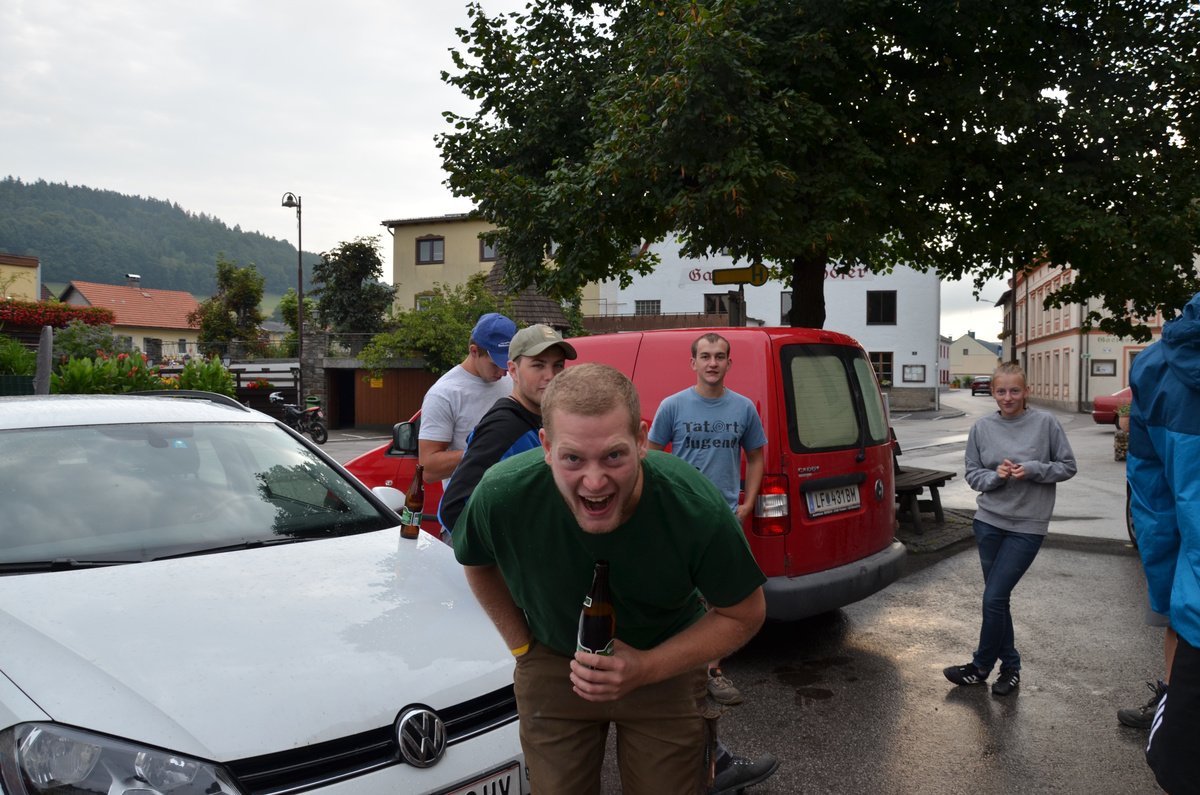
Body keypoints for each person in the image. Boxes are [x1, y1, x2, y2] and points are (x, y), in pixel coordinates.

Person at [441, 328, 779, 794]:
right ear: (545, 446)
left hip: (664, 665)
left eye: (614, 456)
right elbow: (476, 562)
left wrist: (646, 667)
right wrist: (523, 649)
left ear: (642, 440)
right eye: (573, 459)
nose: (595, 482)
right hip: (554, 662)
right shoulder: (503, 494)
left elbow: (745, 612)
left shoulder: (692, 503)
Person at [944, 362, 1077, 696]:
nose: (1008, 397)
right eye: (1001, 391)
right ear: (992, 392)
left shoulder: (1046, 423)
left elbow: (1067, 466)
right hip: (989, 522)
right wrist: (995, 477)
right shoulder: (982, 428)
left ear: (1026, 391)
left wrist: (1032, 469)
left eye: (1014, 390)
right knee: (998, 600)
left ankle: (980, 667)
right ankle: (1010, 668)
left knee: (994, 597)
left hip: (1028, 525)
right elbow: (973, 474)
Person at [649, 332, 766, 707]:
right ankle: (678, 669)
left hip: (724, 517)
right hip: (681, 517)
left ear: (729, 363)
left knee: (723, 599)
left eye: (719, 356)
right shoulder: (673, 406)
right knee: (681, 594)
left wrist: (748, 503)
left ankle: (712, 671)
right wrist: (663, 503)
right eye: (705, 356)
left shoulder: (743, 409)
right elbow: (651, 455)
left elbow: (756, 456)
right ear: (693, 363)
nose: (712, 363)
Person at [1127, 290, 1200, 793]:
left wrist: (1167, 599)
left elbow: (1154, 508)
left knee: (1180, 765)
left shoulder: (1156, 366)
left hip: (1195, 614)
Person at [417, 312, 515, 486]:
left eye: (507, 363)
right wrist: (487, 450)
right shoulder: (443, 394)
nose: (503, 372)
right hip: (469, 499)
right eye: (495, 364)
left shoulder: (514, 379)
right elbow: (429, 468)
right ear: (474, 351)